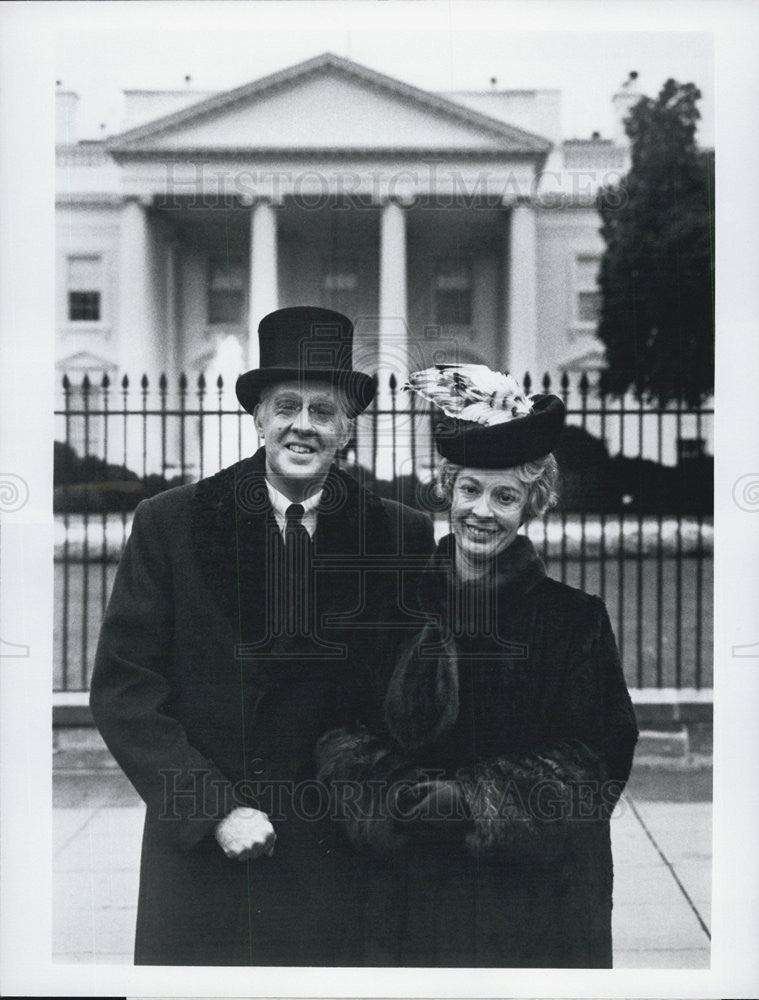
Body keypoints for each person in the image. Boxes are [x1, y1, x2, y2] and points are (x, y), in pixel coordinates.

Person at [89, 306, 435, 966]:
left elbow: (413, 696)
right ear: (258, 417)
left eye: (323, 410)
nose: (302, 424)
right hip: (210, 854)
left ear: (347, 430)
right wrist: (213, 810)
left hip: (341, 856)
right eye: (286, 406)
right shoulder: (171, 523)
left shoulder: (398, 534)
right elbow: (125, 691)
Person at [317, 364, 639, 968]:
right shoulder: (391, 609)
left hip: (533, 906)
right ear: (448, 491)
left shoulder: (573, 621)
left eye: (505, 496)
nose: (482, 512)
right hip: (408, 892)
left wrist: (474, 799)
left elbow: (597, 756)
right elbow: (341, 730)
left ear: (531, 505)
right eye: (470, 490)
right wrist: (396, 794)